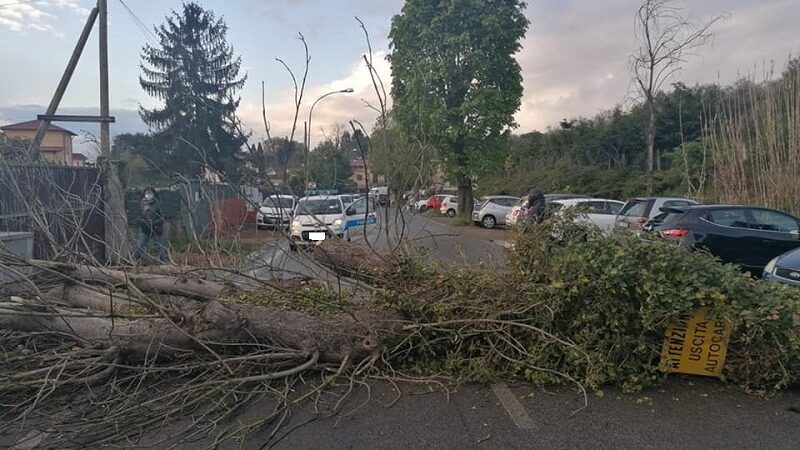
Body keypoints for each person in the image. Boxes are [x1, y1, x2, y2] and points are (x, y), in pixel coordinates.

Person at [133, 187, 166, 263]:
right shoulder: (142, 204)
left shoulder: (157, 204)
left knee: (159, 248)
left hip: (156, 230)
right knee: (139, 246)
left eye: (150, 193)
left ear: (154, 194)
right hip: (145, 230)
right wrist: (141, 222)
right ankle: (133, 262)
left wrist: (153, 223)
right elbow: (139, 216)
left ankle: (163, 264)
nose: (148, 194)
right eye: (146, 193)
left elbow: (162, 218)